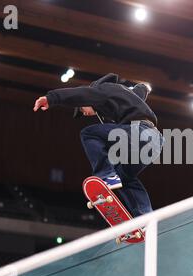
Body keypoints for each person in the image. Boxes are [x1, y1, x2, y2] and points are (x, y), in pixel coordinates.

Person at [33, 73, 163, 217]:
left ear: (88, 100)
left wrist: (51, 98)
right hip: (155, 142)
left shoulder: (102, 90)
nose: (86, 114)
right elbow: (139, 93)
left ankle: (106, 175)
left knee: (89, 133)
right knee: (124, 177)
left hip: (140, 132)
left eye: (82, 110)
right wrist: (144, 87)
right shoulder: (122, 93)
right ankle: (145, 217)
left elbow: (80, 93)